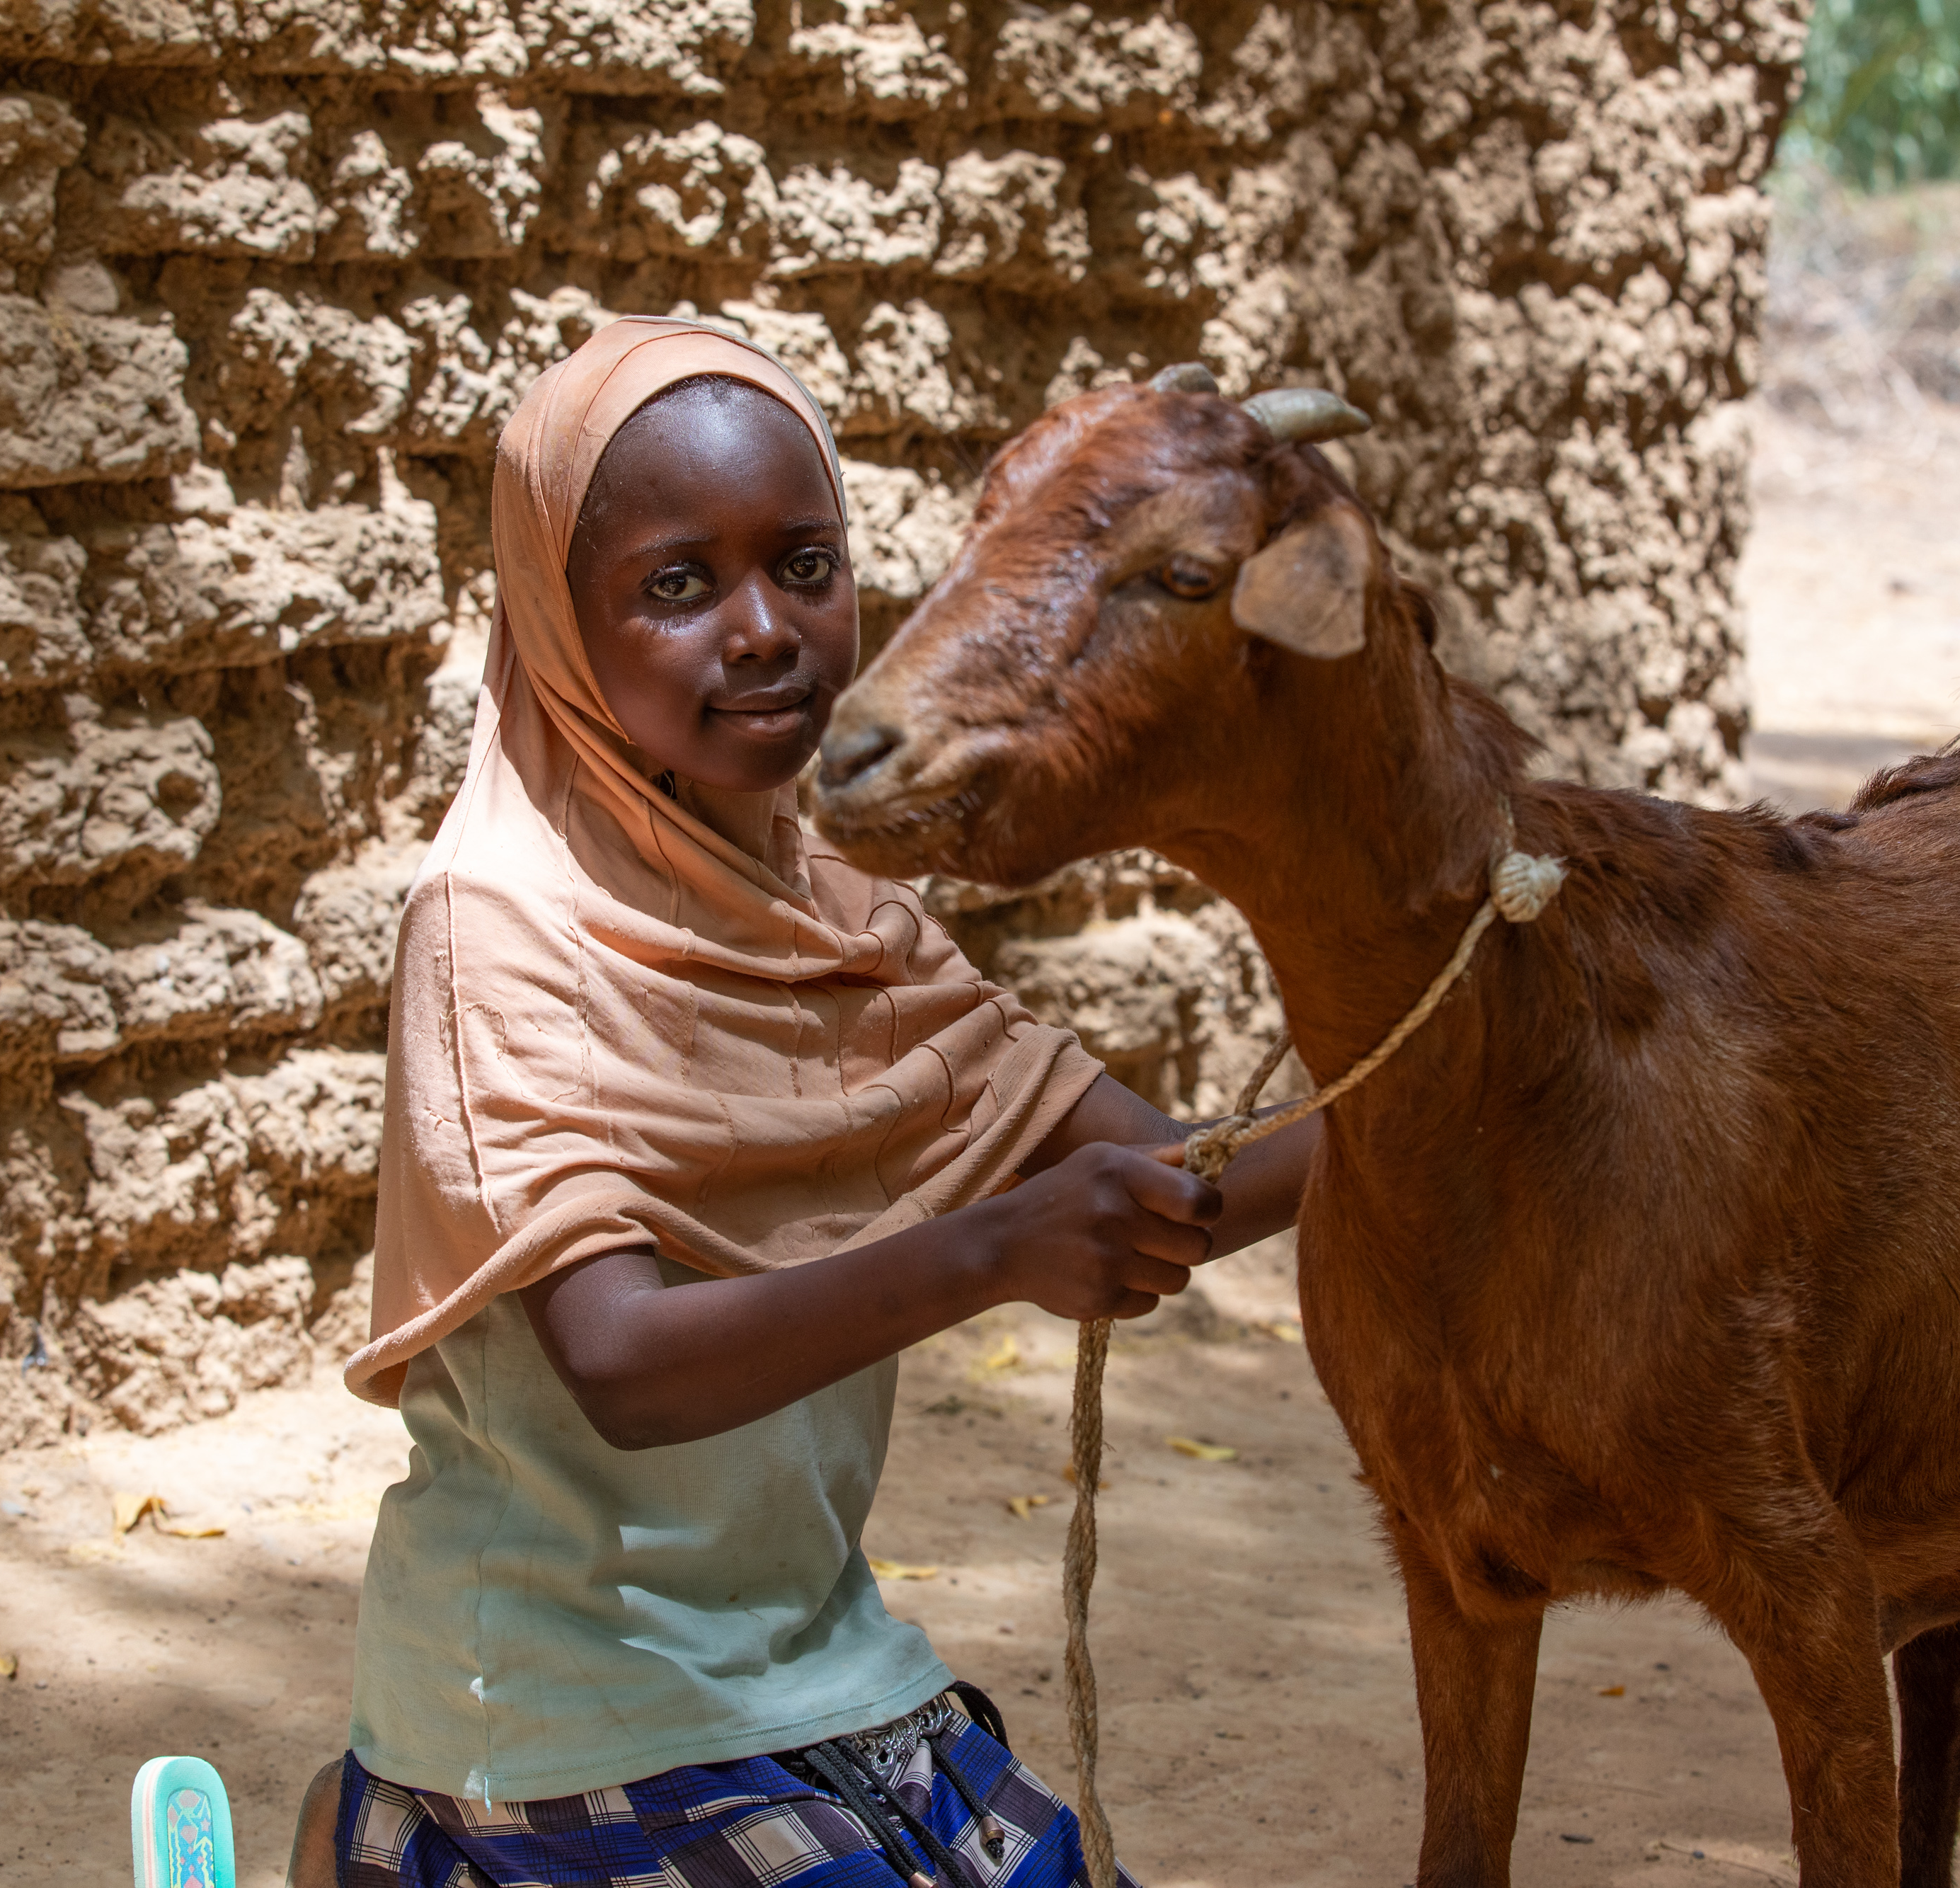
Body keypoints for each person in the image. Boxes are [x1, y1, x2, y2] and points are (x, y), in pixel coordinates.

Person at [282, 317, 1319, 1887]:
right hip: (559, 1701)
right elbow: (619, 1363)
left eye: (806, 565)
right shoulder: (496, 922)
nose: (764, 629)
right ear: (561, 624)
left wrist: (1445, 1057)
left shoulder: (837, 909)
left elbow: (1174, 1178)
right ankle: (417, 1835)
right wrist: (990, 1251)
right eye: (678, 586)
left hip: (813, 1658)